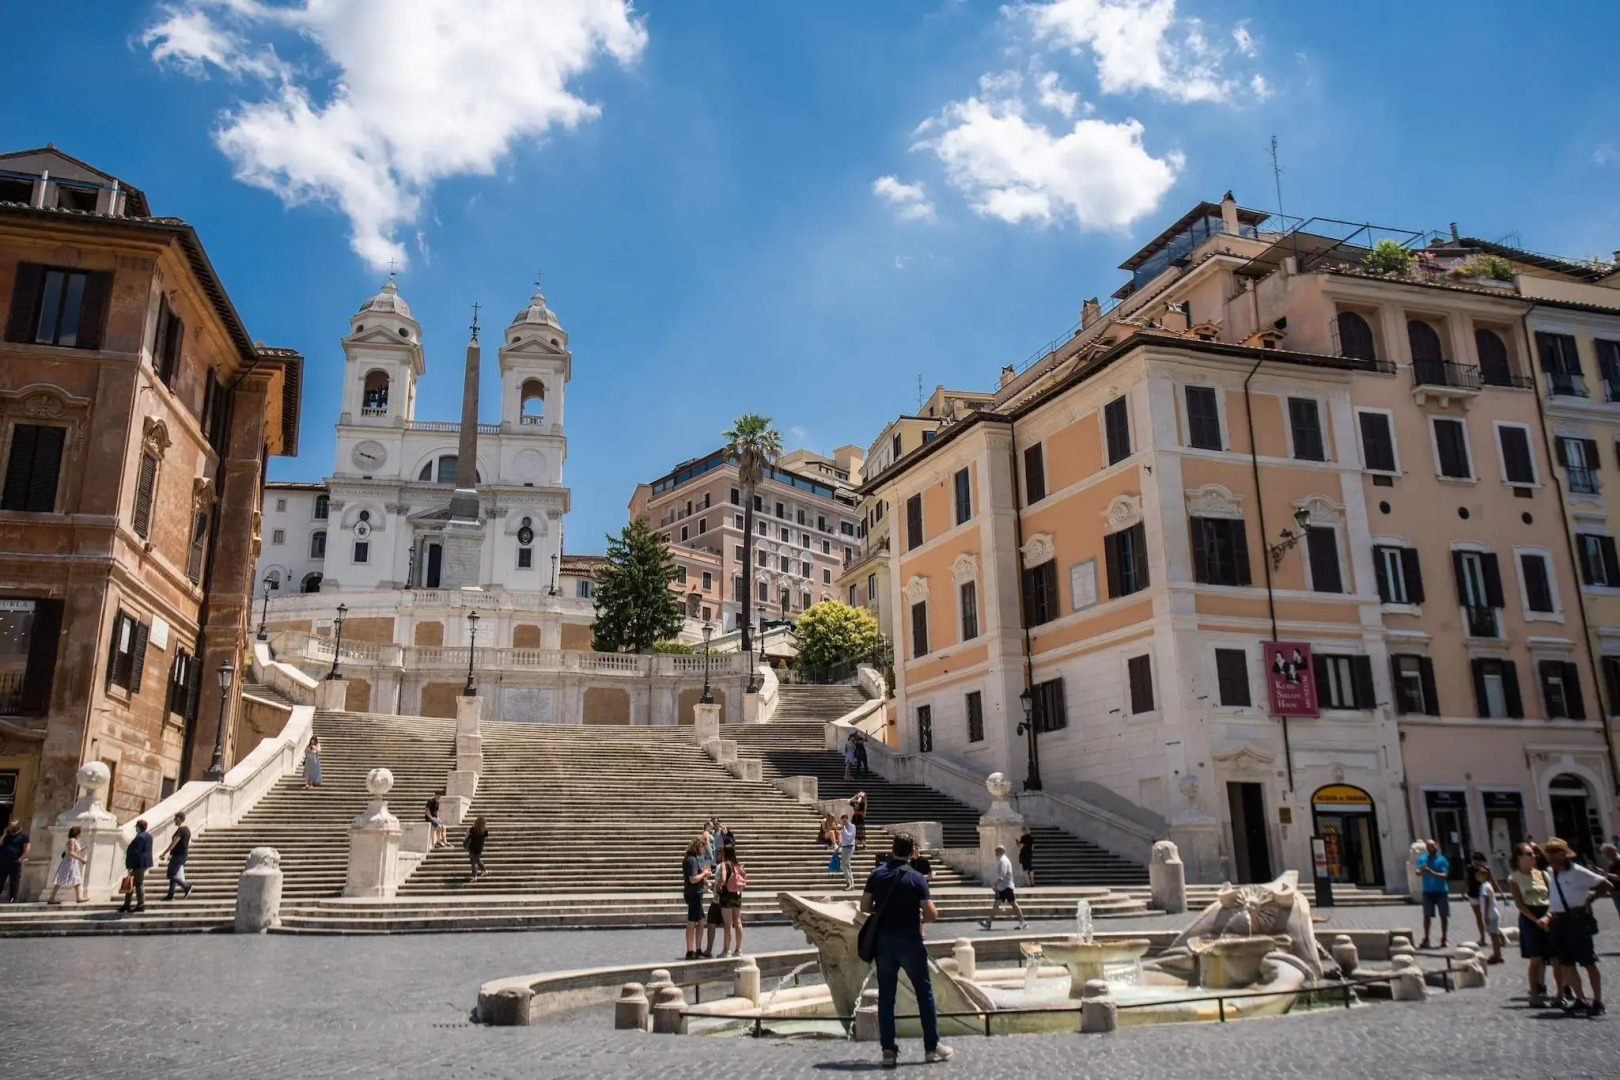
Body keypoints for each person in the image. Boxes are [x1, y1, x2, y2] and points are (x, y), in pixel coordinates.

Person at [860, 832, 952, 1069]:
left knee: (886, 997)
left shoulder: (876, 874)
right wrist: (923, 914)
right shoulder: (916, 878)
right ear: (912, 852)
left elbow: (864, 906)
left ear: (892, 848)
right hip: (910, 941)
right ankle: (932, 1048)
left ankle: (888, 1051)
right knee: (924, 994)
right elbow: (931, 913)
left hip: (883, 943)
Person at [1543, 836, 1612, 1016]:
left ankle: (1597, 1001)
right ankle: (1580, 998)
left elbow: (1606, 884)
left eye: (1552, 852)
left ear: (1563, 854)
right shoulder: (1551, 872)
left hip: (1576, 919)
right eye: (1547, 851)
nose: (1548, 855)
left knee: (1588, 961)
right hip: (1558, 920)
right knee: (1566, 962)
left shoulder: (1578, 871)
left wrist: (1591, 898)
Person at [1509, 844, 1553, 1006]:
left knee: (1555, 957)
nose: (1533, 856)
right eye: (1529, 853)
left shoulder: (1543, 875)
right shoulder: (1515, 878)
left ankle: (1562, 993)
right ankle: (1534, 994)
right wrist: (1536, 920)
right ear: (1518, 858)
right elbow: (1519, 904)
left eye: (1534, 853)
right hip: (1529, 917)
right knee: (1535, 958)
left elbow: (1552, 896)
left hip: (1547, 913)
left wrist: (1548, 916)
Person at [979, 844, 1027, 931]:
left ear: (1001, 851)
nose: (995, 852)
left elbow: (1002, 875)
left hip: (1006, 886)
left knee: (1013, 903)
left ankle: (1022, 921)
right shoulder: (1001, 860)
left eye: (996, 851)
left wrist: (995, 885)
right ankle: (989, 922)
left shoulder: (1003, 861)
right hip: (1003, 887)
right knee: (997, 904)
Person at [1415, 839, 1451, 948]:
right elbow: (1417, 872)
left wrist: (1431, 872)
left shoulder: (1442, 860)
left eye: (1432, 846)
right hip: (1428, 891)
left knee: (1443, 915)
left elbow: (1444, 875)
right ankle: (1426, 938)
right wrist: (1421, 870)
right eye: (1428, 847)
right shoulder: (1422, 859)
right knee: (1426, 916)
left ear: (1436, 846)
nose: (1430, 848)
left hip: (1441, 891)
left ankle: (1444, 938)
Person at [682, 837, 713, 960]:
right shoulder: (692, 860)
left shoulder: (691, 859)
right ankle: (690, 951)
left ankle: (698, 949)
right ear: (697, 847)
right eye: (702, 848)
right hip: (694, 894)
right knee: (692, 922)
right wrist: (705, 874)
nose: (703, 851)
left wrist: (704, 882)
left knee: (701, 922)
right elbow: (693, 878)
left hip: (696, 893)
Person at [46, 825, 88, 904]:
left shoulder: (73, 840)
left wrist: (81, 849)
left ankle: (52, 898)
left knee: (72, 879)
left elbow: (73, 851)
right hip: (70, 862)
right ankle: (79, 897)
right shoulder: (72, 841)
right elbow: (71, 852)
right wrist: (81, 859)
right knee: (73, 878)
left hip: (71, 862)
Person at [718, 847, 747, 957]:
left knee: (727, 924)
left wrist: (719, 886)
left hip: (727, 895)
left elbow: (723, 879)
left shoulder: (725, 864)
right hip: (737, 894)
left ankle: (726, 951)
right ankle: (738, 949)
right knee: (738, 922)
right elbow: (744, 876)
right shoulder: (737, 865)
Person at [122, 819, 154, 913]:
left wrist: (130, 865)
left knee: (138, 884)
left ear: (139, 827)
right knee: (132, 883)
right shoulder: (148, 836)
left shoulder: (140, 837)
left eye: (136, 826)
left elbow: (135, 852)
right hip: (144, 863)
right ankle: (127, 904)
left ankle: (140, 904)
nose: (135, 828)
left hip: (138, 864)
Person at [161, 811, 194, 901]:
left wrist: (165, 852)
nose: (174, 821)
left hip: (178, 855)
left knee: (170, 874)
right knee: (174, 875)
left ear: (180, 818)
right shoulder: (187, 830)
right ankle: (170, 895)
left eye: (175, 819)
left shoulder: (181, 830)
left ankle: (186, 886)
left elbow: (174, 842)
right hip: (183, 855)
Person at [1475, 865, 1504, 965]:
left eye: (1479, 875)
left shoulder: (1485, 886)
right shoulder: (1486, 885)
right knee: (1493, 935)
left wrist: (1486, 916)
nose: (1478, 877)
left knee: (1494, 936)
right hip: (1491, 914)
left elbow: (1486, 901)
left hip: (1491, 914)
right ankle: (1497, 953)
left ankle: (1497, 955)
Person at [1464, 851, 1490, 944]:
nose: (1477, 863)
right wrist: (1463, 891)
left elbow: (1492, 881)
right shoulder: (1469, 868)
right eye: (1475, 860)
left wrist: (1500, 894)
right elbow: (1466, 879)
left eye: (1479, 861)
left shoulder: (1485, 869)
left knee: (1488, 915)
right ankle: (1482, 937)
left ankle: (1494, 935)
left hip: (1484, 895)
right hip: (1473, 894)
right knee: (1478, 917)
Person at [0, 818, 28, 902]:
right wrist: (4, 834)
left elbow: (27, 847)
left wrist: (21, 857)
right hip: (3, 860)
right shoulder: (7, 836)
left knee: (14, 880)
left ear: (18, 826)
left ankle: (12, 898)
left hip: (15, 861)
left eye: (13, 826)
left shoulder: (23, 836)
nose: (11, 827)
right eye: (11, 826)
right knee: (1, 879)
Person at [838, 813, 857, 890]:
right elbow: (844, 839)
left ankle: (848, 883)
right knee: (847, 865)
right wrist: (838, 847)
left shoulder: (852, 827)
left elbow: (849, 837)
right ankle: (852, 884)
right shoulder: (844, 828)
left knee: (843, 865)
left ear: (847, 819)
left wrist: (843, 828)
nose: (844, 822)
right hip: (844, 848)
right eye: (842, 821)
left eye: (845, 820)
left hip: (850, 847)